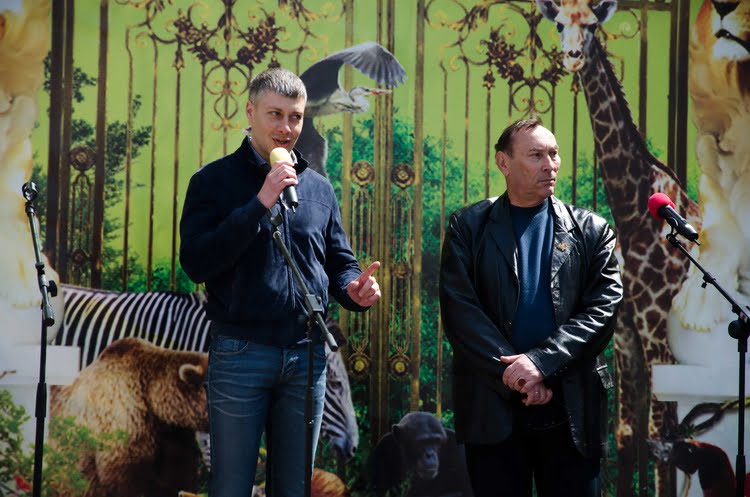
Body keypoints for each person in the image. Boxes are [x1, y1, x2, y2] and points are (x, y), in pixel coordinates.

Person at [179, 67, 380, 497]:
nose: (287, 128)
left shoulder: (318, 188)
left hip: (306, 357)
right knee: (230, 486)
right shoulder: (212, 182)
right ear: (250, 112)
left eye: (296, 117)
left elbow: (339, 263)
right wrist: (260, 202)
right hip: (241, 354)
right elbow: (197, 263)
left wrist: (354, 290)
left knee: (294, 487)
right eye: (275, 114)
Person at [439, 117, 623, 497]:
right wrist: (517, 376)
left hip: (571, 405)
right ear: (503, 163)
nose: (550, 165)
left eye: (554, 154)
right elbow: (460, 312)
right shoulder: (468, 226)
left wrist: (541, 363)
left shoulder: (592, 230)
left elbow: (603, 310)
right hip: (493, 406)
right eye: (536, 155)